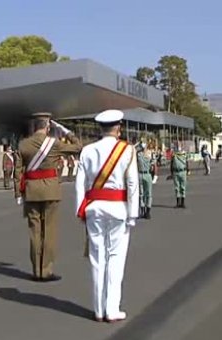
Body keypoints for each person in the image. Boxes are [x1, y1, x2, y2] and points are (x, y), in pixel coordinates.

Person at [75, 109, 138, 323]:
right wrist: (133, 214)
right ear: (118, 127)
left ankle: (98, 309)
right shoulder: (127, 150)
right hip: (118, 208)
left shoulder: (87, 150)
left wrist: (80, 210)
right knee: (115, 259)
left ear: (99, 128)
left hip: (94, 208)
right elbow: (132, 184)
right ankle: (112, 308)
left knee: (97, 258)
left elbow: (79, 184)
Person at [14, 112, 82, 282]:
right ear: (48, 126)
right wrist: (66, 132)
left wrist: (18, 193)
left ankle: (36, 270)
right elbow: (78, 147)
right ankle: (46, 270)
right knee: (49, 231)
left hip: (31, 191)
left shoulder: (23, 144)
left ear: (34, 126)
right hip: (51, 190)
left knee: (34, 232)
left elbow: (18, 171)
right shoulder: (54, 144)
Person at [170, 143, 190, 208]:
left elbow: (187, 162)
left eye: (179, 146)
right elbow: (171, 164)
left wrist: (188, 170)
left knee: (183, 187)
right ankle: (178, 203)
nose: (178, 147)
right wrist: (171, 173)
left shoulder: (184, 154)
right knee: (177, 188)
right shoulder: (173, 155)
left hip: (183, 171)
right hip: (176, 171)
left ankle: (183, 203)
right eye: (177, 146)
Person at [136, 142, 153, 219]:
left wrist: (154, 175)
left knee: (148, 193)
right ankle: (142, 211)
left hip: (148, 174)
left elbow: (153, 164)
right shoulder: (138, 154)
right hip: (140, 174)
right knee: (141, 193)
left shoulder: (150, 153)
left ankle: (148, 212)